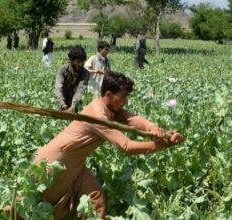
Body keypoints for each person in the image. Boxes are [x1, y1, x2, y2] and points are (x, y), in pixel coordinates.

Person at [35, 71, 184, 219]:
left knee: (95, 196)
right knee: (37, 205)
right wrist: (161, 146)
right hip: (56, 162)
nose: (126, 101)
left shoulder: (109, 107)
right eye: (123, 96)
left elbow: (131, 119)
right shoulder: (98, 117)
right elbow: (126, 146)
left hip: (75, 163)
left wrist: (153, 128)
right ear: (108, 95)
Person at [54, 45, 89, 112]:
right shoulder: (63, 70)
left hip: (76, 102)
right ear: (71, 60)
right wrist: (62, 104)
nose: (81, 64)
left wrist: (73, 105)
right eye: (78, 62)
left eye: (82, 62)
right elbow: (59, 87)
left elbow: (80, 90)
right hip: (61, 101)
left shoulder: (85, 73)